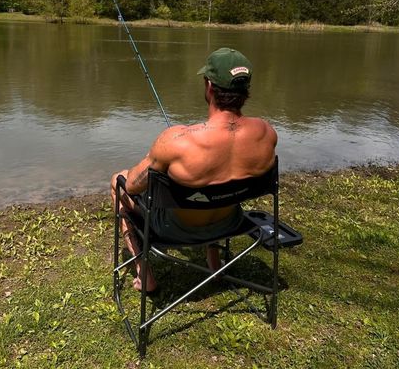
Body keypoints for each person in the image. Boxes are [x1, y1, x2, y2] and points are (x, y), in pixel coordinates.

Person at [110, 47, 277, 292]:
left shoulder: (177, 140)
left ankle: (144, 275)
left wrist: (155, 158)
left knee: (117, 180)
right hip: (231, 222)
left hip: (174, 230)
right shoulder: (266, 134)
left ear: (209, 86)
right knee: (219, 184)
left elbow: (133, 184)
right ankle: (214, 263)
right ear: (245, 89)